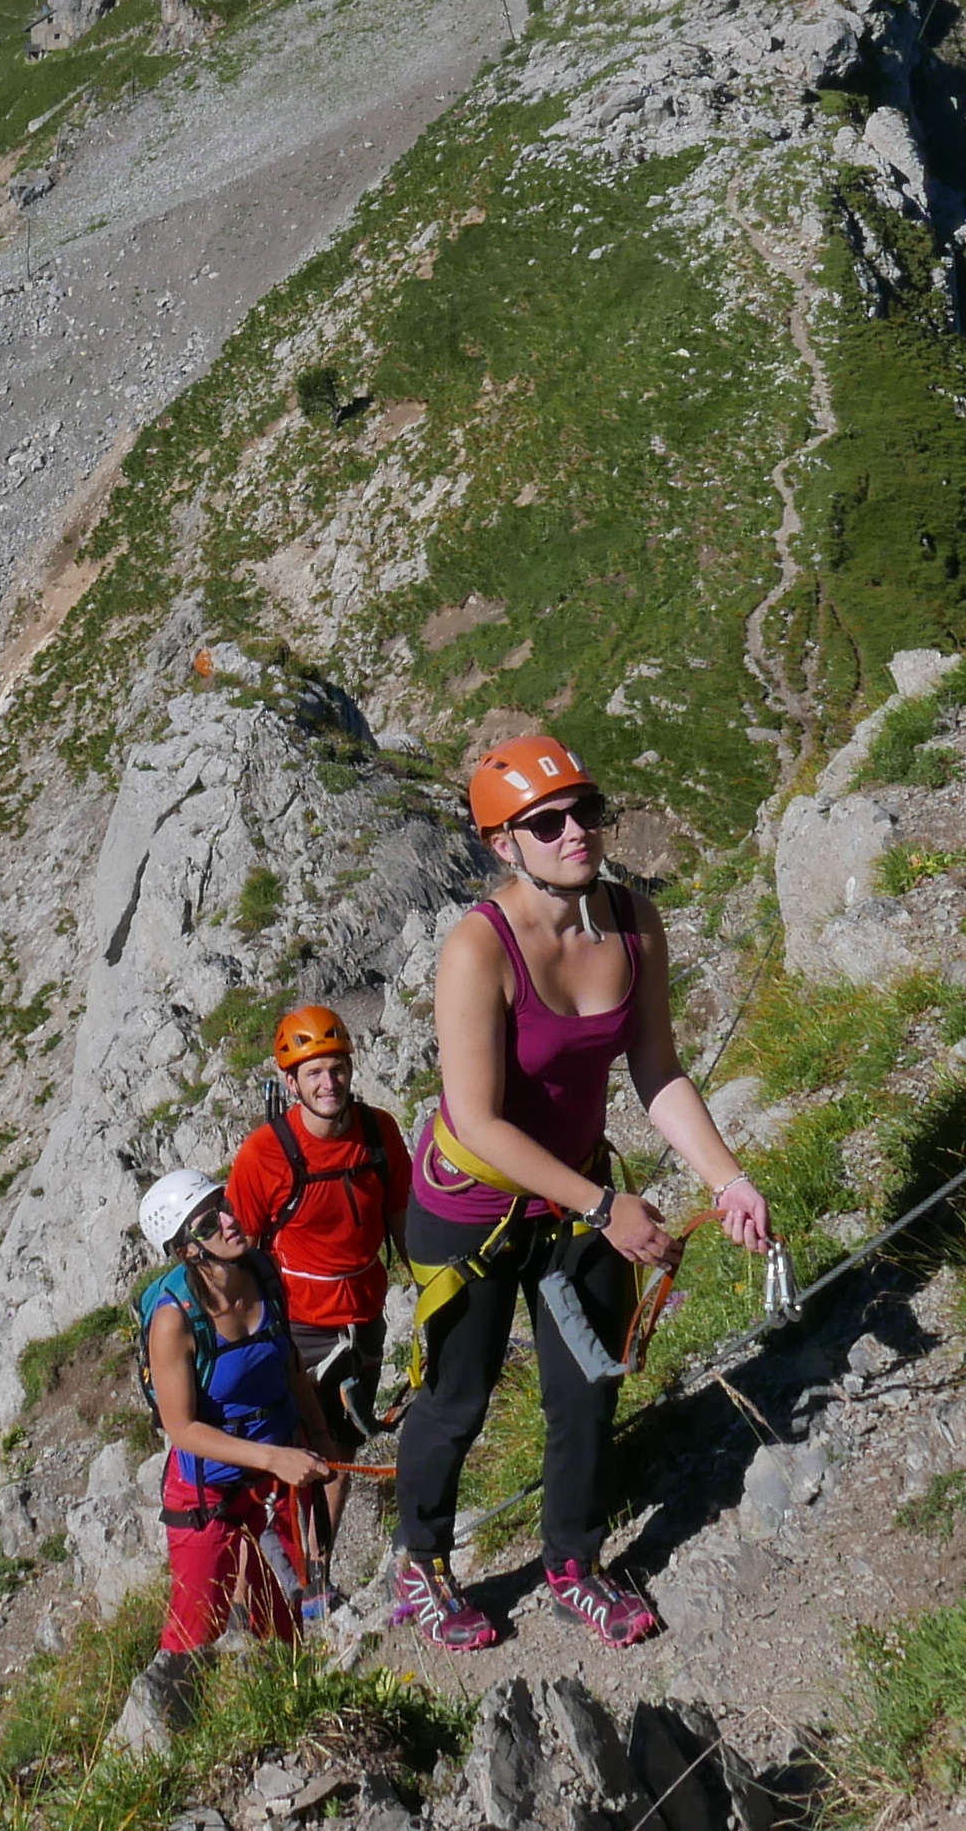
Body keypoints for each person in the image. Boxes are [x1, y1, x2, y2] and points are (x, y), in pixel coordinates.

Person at [389, 736, 774, 1652]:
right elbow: (479, 1121)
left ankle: (574, 1562)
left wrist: (729, 1177)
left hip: (575, 1195)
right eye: (547, 823)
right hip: (471, 1204)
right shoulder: (477, 950)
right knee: (458, 1396)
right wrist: (605, 1209)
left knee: (587, 1387)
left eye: (586, 811)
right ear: (502, 845)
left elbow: (657, 1070)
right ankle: (421, 1564)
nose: (576, 834)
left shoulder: (635, 923)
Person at [133, 1168, 333, 1725]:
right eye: (209, 1220)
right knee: (193, 1635)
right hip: (210, 1495)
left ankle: (294, 1714)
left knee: (285, 1620)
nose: (229, 1219)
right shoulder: (175, 1320)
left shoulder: (263, 1271)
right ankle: (167, 1747)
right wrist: (276, 1460)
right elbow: (183, 1429)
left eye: (224, 1204)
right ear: (185, 1248)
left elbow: (289, 1361)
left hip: (278, 1474)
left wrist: (317, 1436)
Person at [225, 1003, 403, 1562]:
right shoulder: (263, 1155)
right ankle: (287, 1579)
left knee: (342, 1448)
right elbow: (237, 1251)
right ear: (292, 1082)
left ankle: (317, 1579)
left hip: (364, 1315)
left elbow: (401, 1220)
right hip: (297, 1326)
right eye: (314, 1073)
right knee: (296, 1456)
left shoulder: (379, 1131)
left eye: (337, 1068)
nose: (329, 1083)